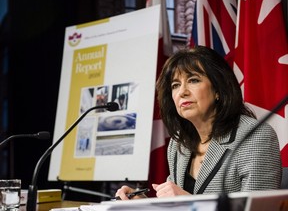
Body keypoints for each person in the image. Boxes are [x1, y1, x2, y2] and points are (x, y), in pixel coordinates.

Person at [115, 45, 282, 200]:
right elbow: (175, 204)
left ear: (218, 89)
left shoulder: (255, 137)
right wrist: (141, 204)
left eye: (193, 80)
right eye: (175, 85)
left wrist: (188, 203)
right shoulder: (179, 143)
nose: (182, 92)